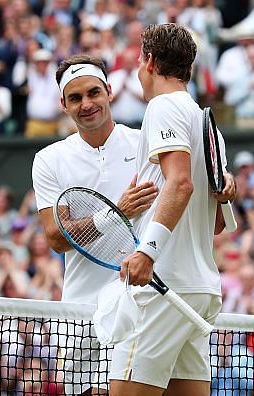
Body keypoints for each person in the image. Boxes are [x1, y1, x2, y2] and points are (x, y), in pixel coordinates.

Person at [111, 23, 235, 396]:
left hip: (163, 287)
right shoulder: (206, 123)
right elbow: (216, 222)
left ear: (149, 61)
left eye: (138, 60)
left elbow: (180, 183)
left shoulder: (163, 106)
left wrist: (146, 252)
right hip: (198, 291)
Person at [31, 54, 158, 395]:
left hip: (141, 303)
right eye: (76, 98)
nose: (86, 104)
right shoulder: (48, 160)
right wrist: (115, 213)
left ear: (109, 92)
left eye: (93, 93)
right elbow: (57, 237)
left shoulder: (145, 143)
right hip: (80, 309)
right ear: (63, 104)